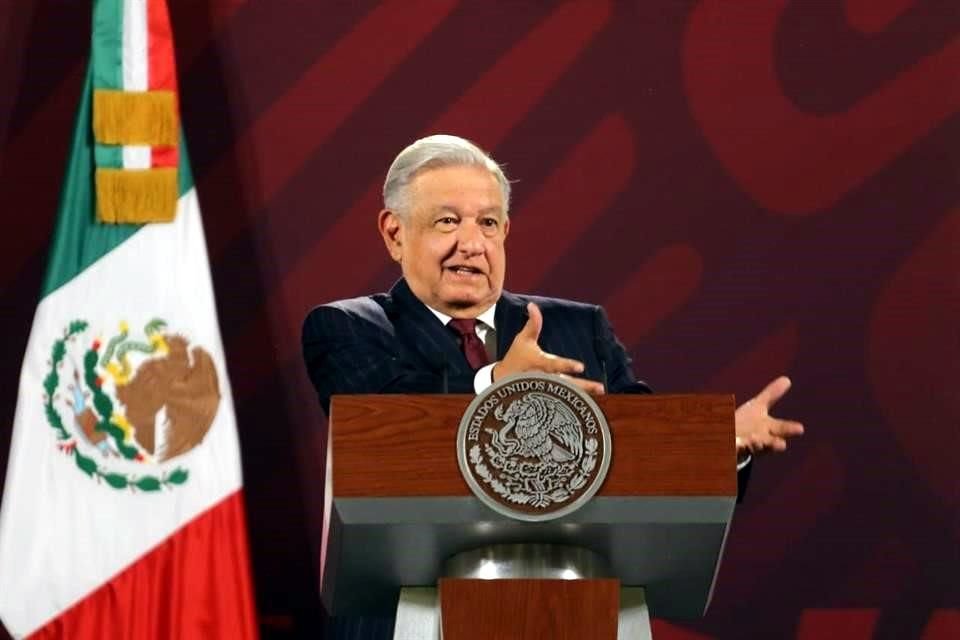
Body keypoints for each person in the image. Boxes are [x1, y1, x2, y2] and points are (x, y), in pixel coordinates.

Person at [302, 134, 803, 464]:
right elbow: (387, 436)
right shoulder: (349, 328)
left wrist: (715, 443)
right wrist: (499, 384)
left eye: (489, 223)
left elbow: (639, 446)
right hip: (411, 613)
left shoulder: (578, 329)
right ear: (394, 234)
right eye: (447, 221)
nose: (472, 243)